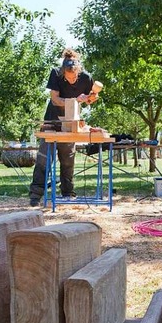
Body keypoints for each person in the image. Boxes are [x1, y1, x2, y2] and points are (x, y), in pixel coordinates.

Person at [29, 49, 98, 207]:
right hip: (52, 121)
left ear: (78, 71)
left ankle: (67, 193)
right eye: (69, 78)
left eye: (74, 77)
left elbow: (90, 99)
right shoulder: (56, 74)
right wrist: (75, 99)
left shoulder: (86, 78)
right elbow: (54, 100)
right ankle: (36, 195)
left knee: (68, 160)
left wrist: (90, 98)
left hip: (70, 122)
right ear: (63, 72)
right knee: (44, 159)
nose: (72, 81)